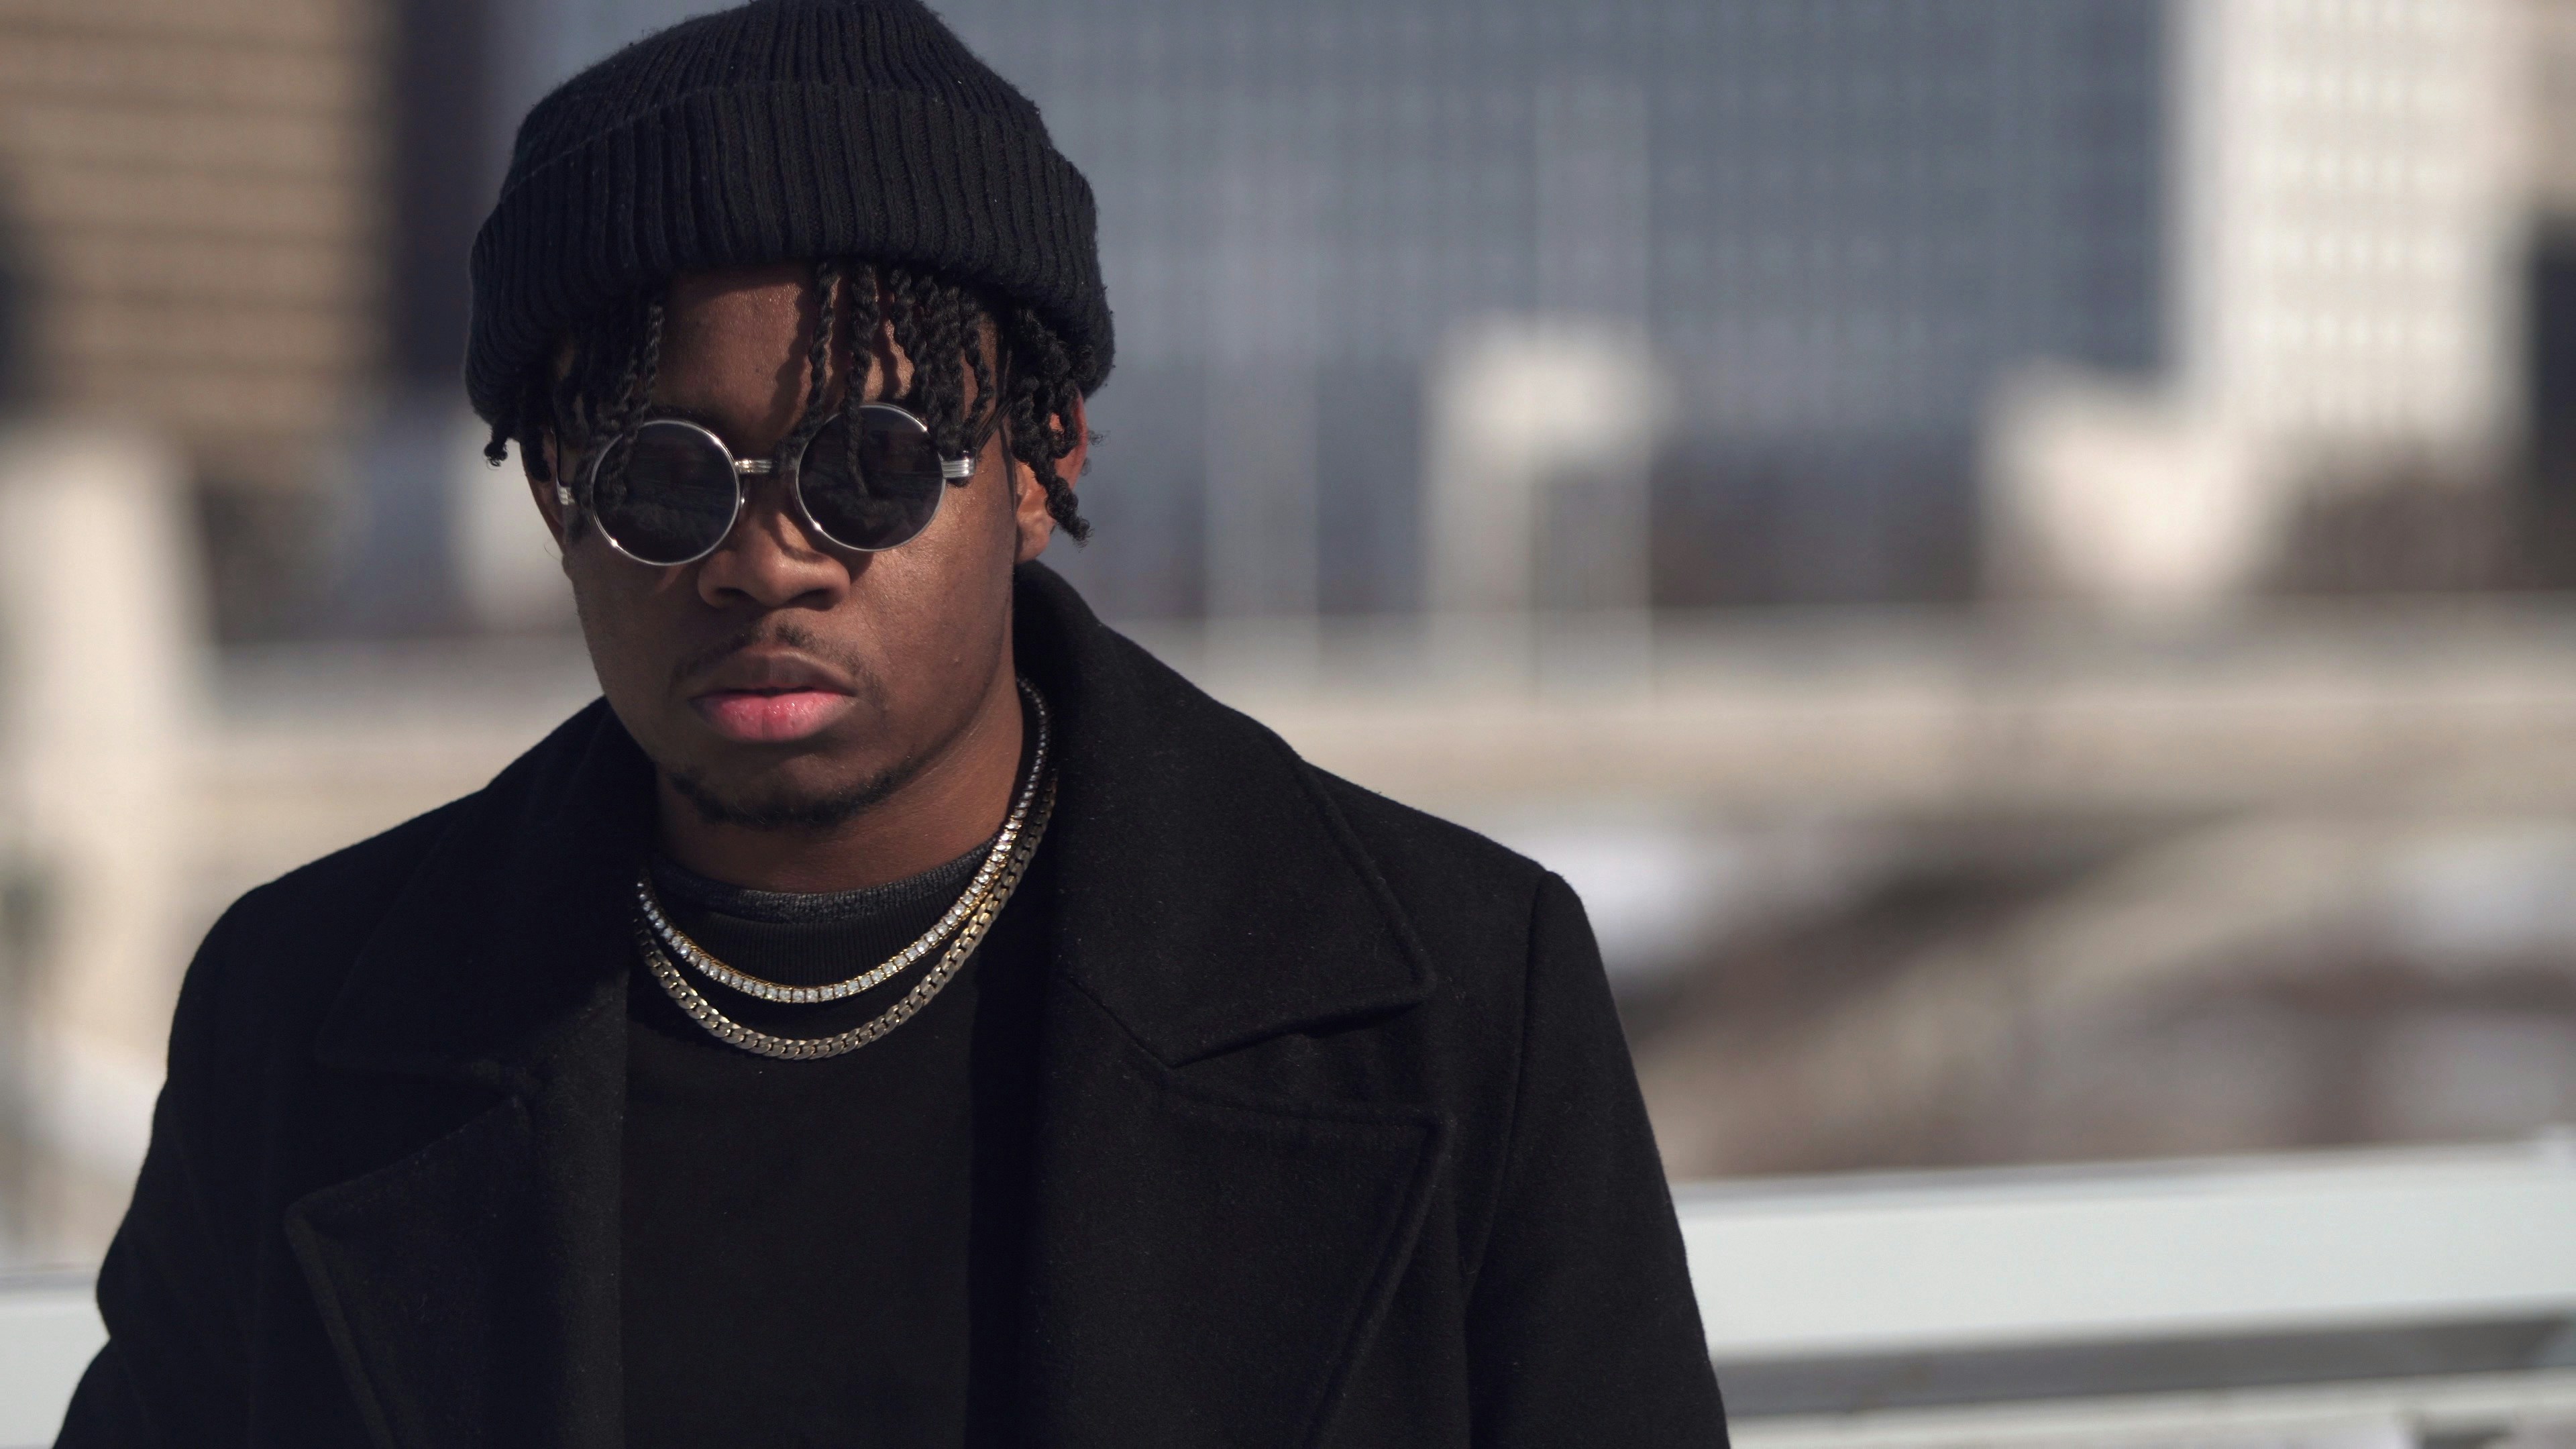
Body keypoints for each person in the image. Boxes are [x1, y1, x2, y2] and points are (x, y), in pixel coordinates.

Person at [58, 1, 1726, 1443]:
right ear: (560, 499)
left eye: (864, 463)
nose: (764, 561)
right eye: (662, 481)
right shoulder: (306, 1018)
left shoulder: (1453, 994)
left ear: (1040, 461)